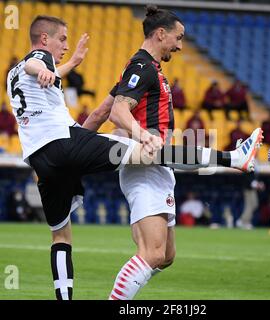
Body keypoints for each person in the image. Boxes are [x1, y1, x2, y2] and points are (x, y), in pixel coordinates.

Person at [83, 5, 264, 300]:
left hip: (158, 164)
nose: (180, 46)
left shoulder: (147, 69)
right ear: (161, 34)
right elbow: (117, 112)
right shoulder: (141, 67)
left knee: (165, 255)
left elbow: (101, 110)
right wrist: (141, 135)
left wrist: (77, 142)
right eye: (178, 38)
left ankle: (235, 159)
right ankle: (234, 159)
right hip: (145, 162)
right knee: (151, 253)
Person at [6, 15, 166, 301]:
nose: (66, 45)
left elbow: (40, 72)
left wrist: (72, 64)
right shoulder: (38, 58)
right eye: (62, 39)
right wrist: (43, 68)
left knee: (60, 236)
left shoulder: (12, 74)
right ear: (45, 39)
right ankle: (228, 159)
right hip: (63, 142)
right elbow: (36, 64)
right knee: (149, 150)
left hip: (39, 159)